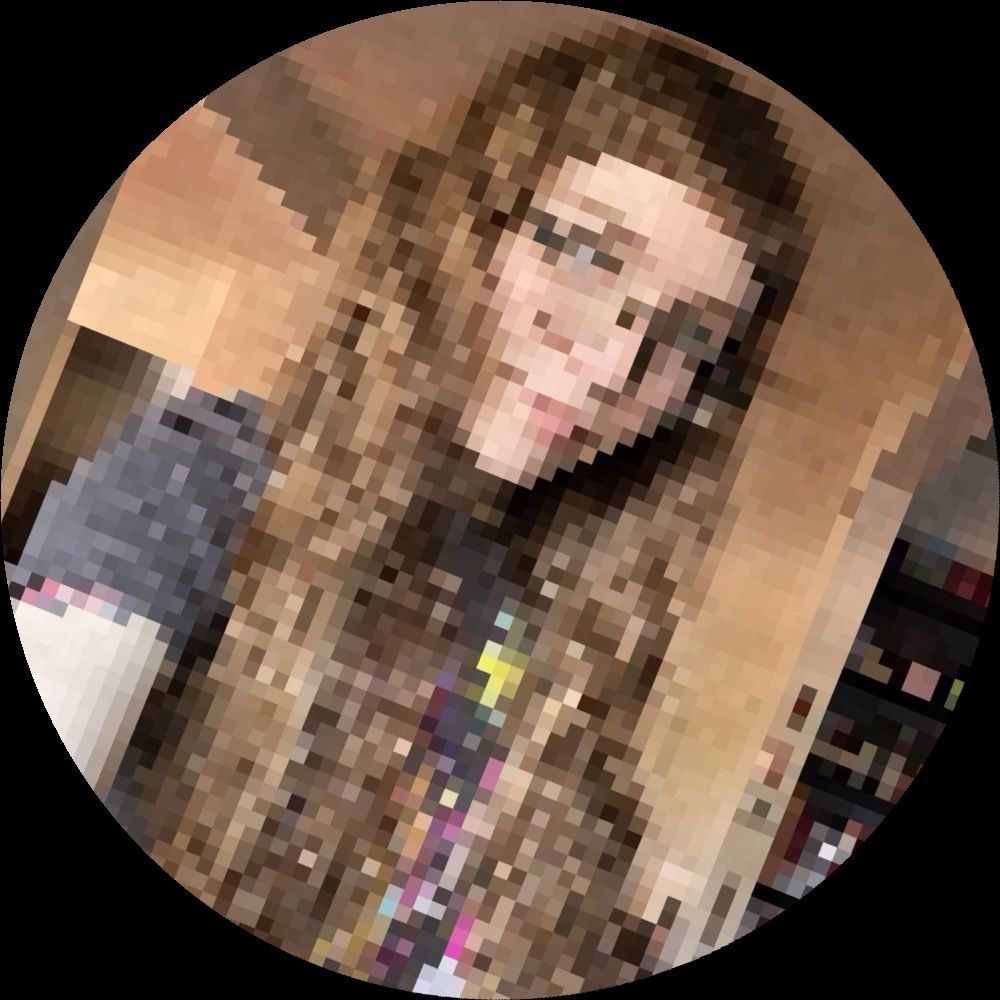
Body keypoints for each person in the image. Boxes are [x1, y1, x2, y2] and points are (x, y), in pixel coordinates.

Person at [100, 24, 812, 996]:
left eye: (688, 336)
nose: (615, 365)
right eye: (589, 254)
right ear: (464, 224)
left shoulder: (548, 629)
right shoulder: (197, 480)